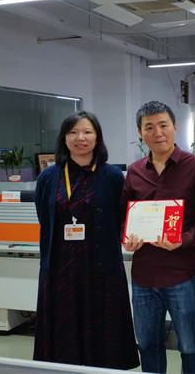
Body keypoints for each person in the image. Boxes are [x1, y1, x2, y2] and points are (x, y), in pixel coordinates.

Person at [34, 111, 139, 369]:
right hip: (60, 270)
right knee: (63, 332)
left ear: (97, 138)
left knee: (103, 334)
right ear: (64, 138)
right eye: (73, 132)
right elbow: (44, 218)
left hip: (101, 269)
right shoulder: (48, 177)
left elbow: (122, 217)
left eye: (87, 132)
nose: (80, 138)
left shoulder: (112, 176)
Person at [121, 101, 195, 374]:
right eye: (149, 127)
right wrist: (127, 238)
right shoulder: (135, 171)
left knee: (191, 346)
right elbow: (124, 215)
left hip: (182, 274)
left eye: (163, 125)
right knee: (148, 345)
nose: (157, 132)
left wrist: (184, 239)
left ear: (174, 126)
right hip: (144, 276)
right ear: (141, 133)